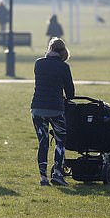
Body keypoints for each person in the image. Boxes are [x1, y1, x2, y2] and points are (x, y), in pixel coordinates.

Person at [31, 36, 75, 186]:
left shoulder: (38, 64)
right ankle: (57, 173)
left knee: (43, 142)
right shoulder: (63, 67)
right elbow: (71, 94)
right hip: (55, 109)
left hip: (37, 108)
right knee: (60, 141)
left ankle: (43, 177)